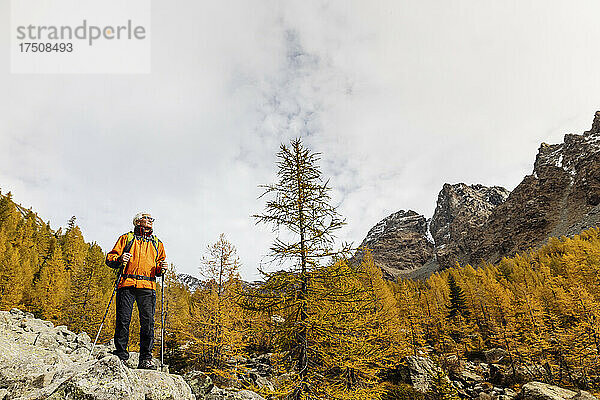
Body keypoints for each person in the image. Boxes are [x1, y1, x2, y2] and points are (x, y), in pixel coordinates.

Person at [105, 212, 168, 369]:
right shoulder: (126, 238)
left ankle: (146, 359)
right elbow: (110, 258)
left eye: (152, 219)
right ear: (138, 221)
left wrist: (162, 268)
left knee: (148, 323)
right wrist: (120, 259)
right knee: (123, 320)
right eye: (147, 218)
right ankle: (120, 355)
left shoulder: (157, 243)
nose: (150, 221)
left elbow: (159, 268)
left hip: (148, 287)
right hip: (126, 284)